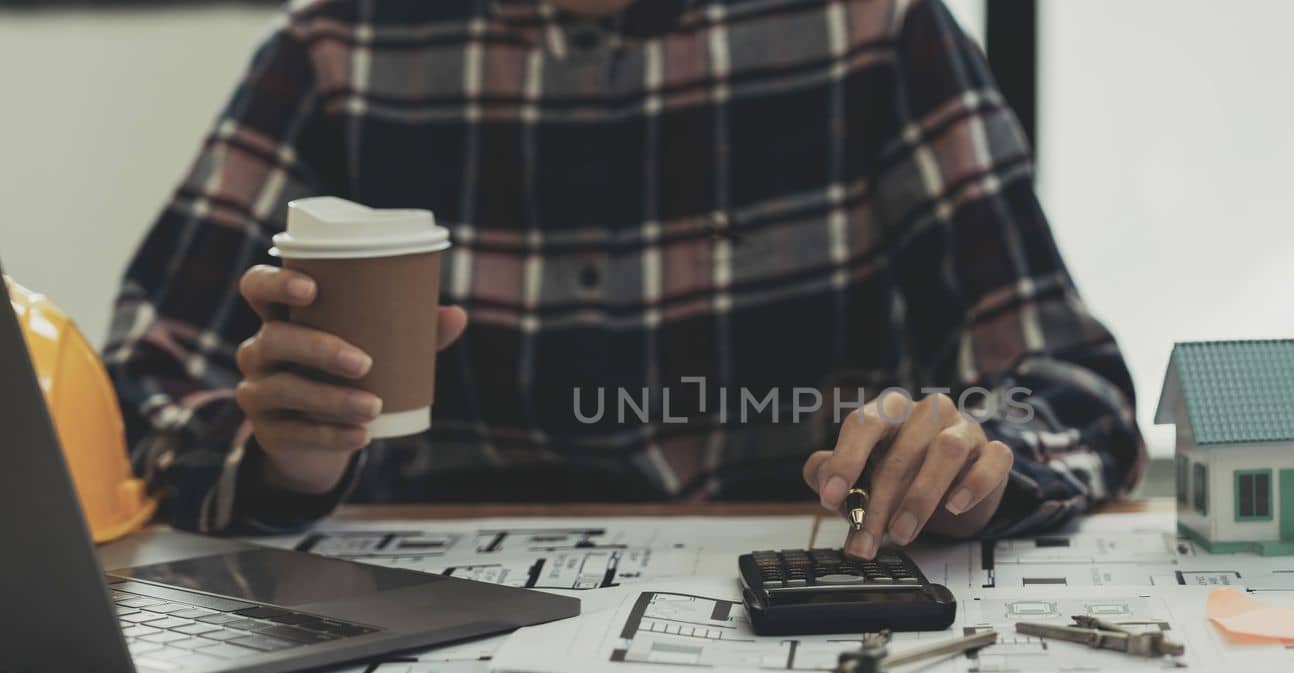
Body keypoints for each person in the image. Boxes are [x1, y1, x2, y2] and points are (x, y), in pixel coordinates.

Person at [104, 0, 1144, 559]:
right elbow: (136, 392)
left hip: (807, 589)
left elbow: (1074, 389)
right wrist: (281, 457)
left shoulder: (872, 29)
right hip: (417, 621)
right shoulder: (335, 49)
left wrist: (970, 459)